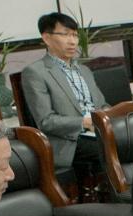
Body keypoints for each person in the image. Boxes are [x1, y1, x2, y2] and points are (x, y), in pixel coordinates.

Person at [19, 12, 107, 179]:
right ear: (46, 38)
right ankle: (119, 197)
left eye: (75, 35)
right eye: (65, 34)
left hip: (97, 132)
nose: (72, 41)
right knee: (110, 147)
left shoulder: (84, 70)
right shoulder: (35, 72)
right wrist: (84, 122)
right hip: (69, 142)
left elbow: (102, 105)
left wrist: (112, 116)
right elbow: (46, 121)